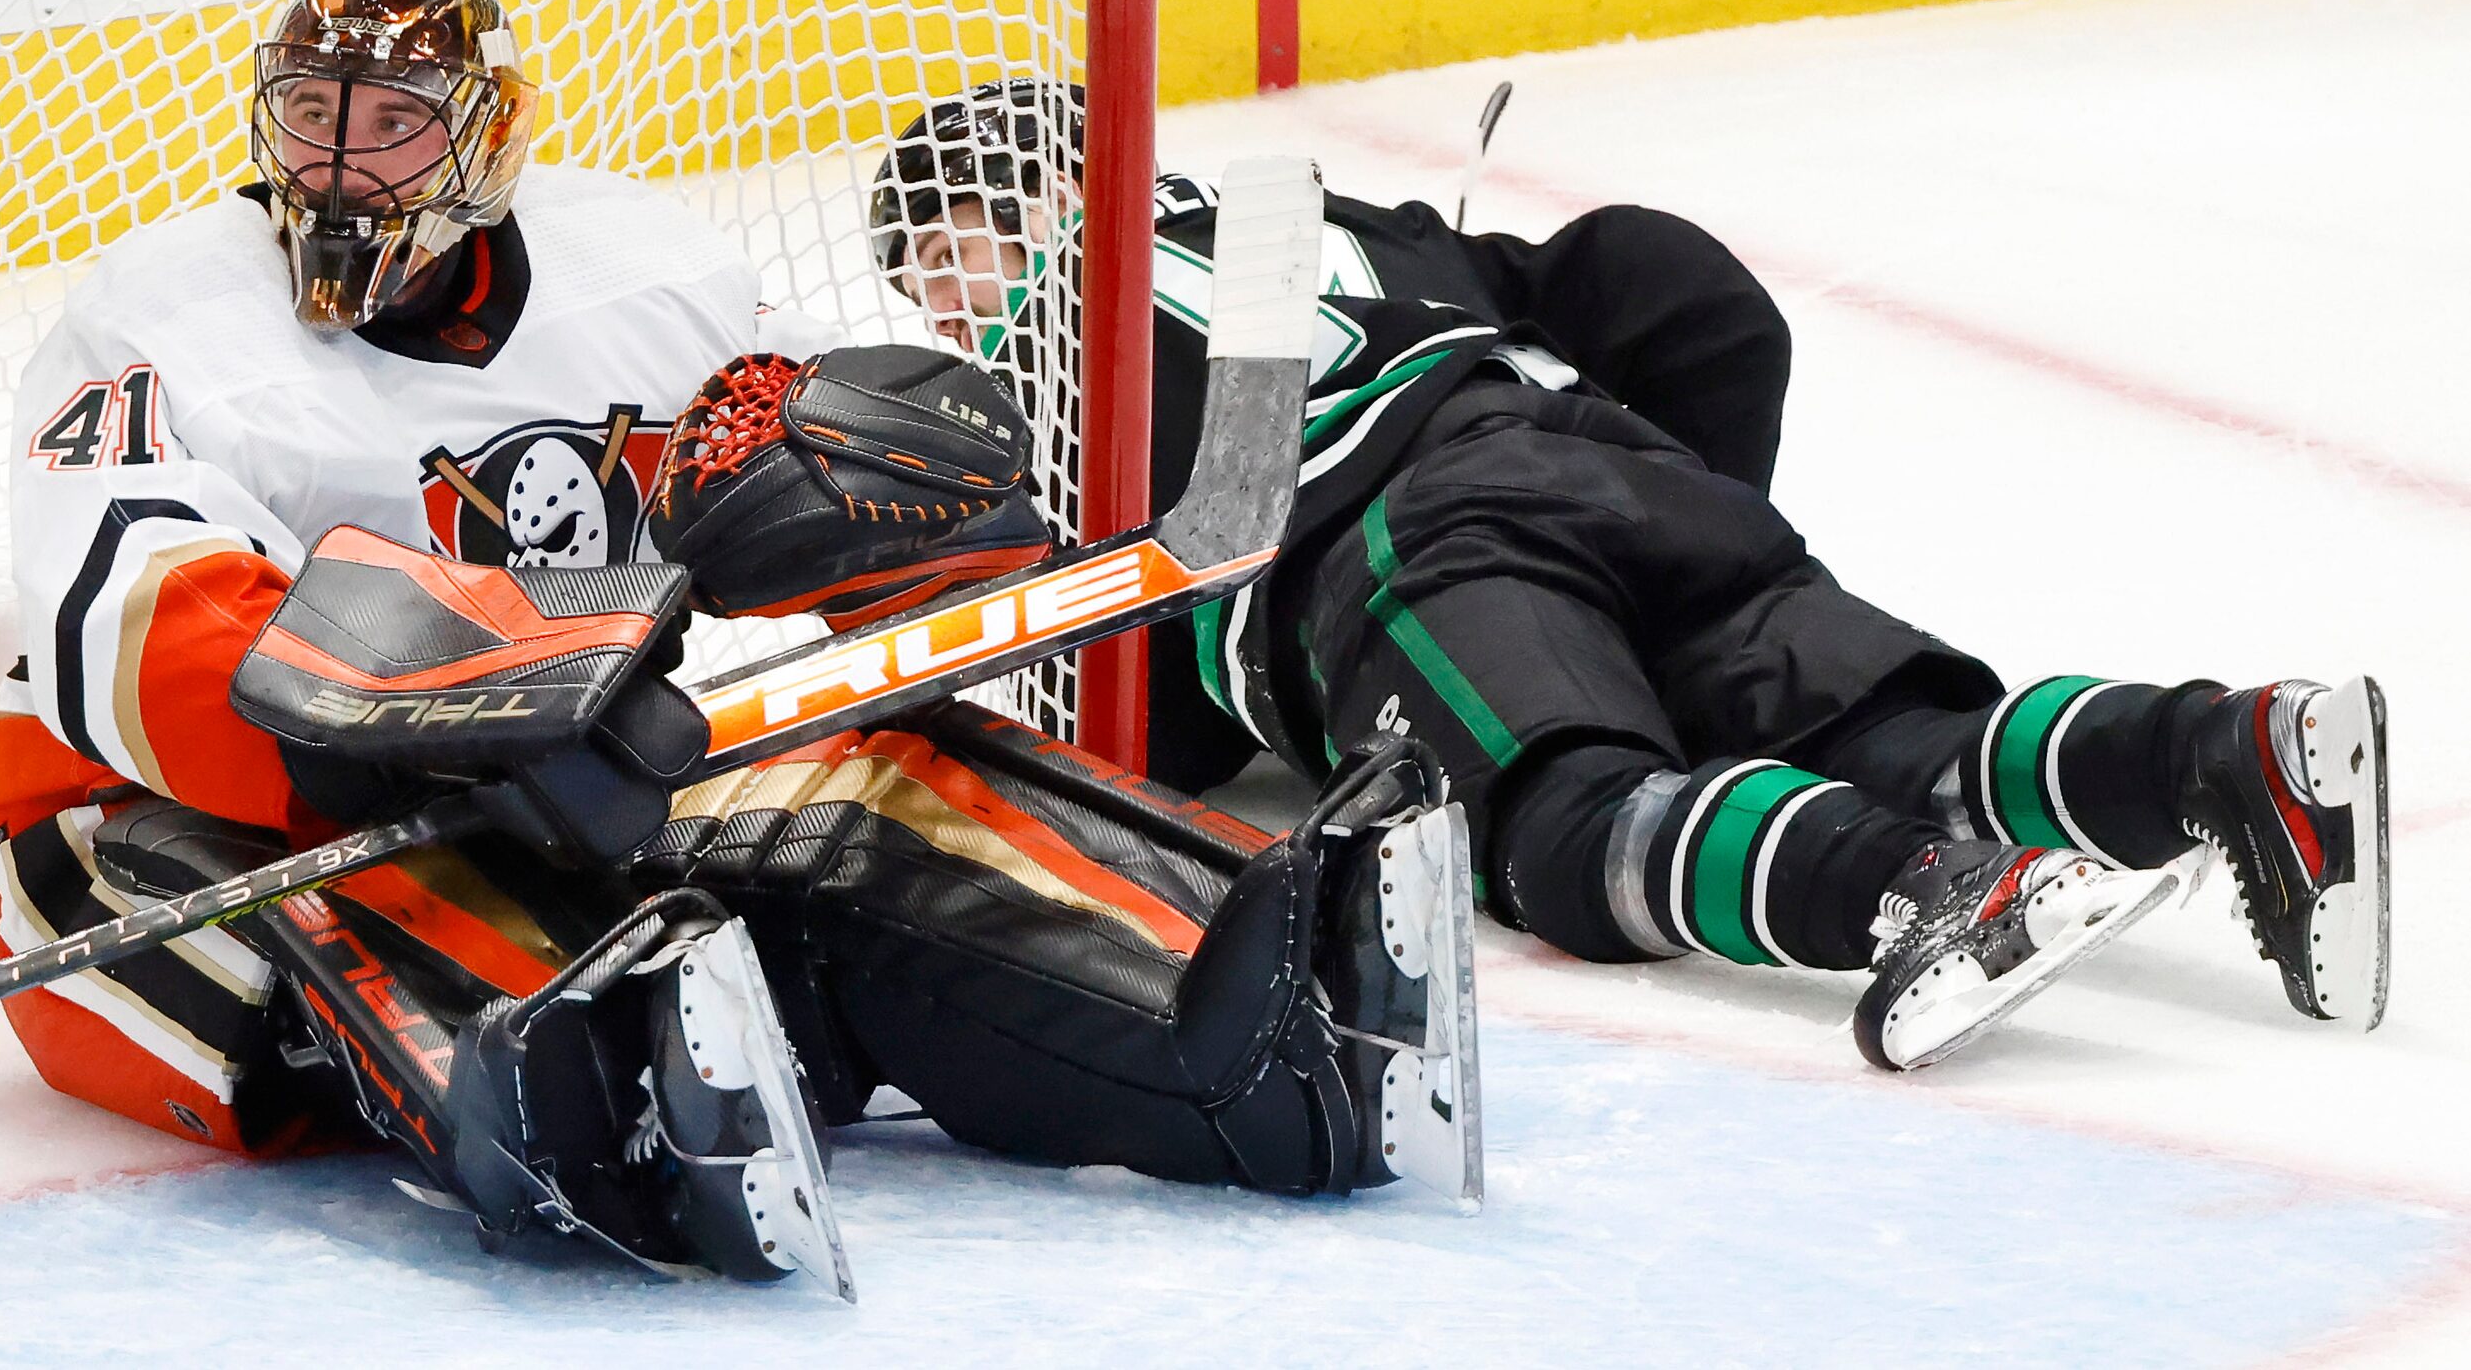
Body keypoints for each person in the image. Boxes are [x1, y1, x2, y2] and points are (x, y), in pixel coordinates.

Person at [0, 0, 1481, 1295]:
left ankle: (1256, 1027)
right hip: (160, 824)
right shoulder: (148, 323)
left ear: (482, 137)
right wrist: (448, 718)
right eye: (311, 114)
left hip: (570, 784)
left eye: (394, 124)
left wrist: (911, 518)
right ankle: (613, 1112)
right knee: (402, 930)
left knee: (883, 781)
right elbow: (137, 624)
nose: (342, 165)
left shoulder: (646, 271)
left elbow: (790, 481)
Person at [867, 78, 2389, 1072]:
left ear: (1003, 219)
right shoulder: (1331, 227)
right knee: (1879, 733)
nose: (937, 303)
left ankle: (1920, 888)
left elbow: (1147, 730)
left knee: (1560, 827)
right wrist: (1687, 506)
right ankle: (2225, 747)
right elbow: (1677, 290)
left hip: (1405, 542)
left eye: (930, 263)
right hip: (1605, 455)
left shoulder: (1027, 372)